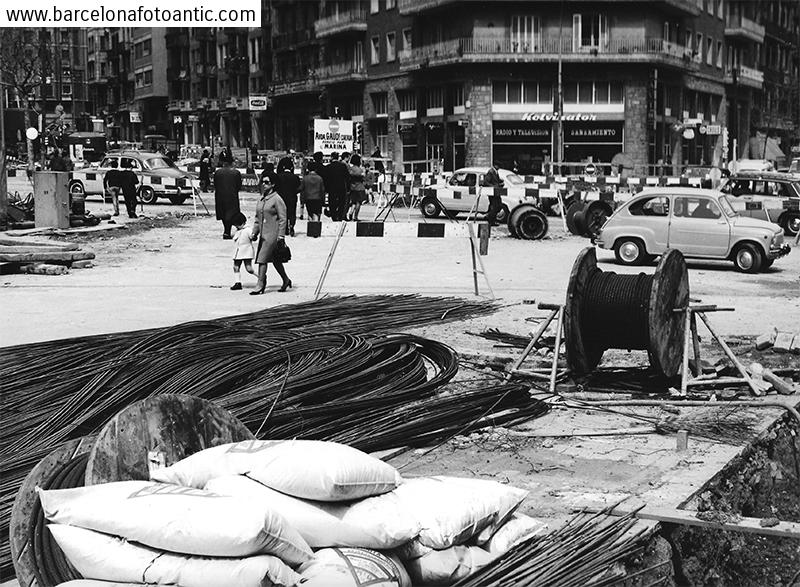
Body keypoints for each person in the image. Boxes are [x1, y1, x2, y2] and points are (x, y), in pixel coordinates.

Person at [251, 172, 292, 295]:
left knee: (262, 258)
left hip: (273, 235)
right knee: (275, 260)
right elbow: (257, 218)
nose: (264, 184)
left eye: (267, 182)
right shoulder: (261, 199)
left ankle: (260, 284)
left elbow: (283, 218)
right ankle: (286, 280)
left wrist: (281, 236)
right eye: (263, 182)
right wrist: (254, 232)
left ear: (273, 184)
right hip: (263, 234)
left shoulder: (277, 199)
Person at [213, 150, 242, 239]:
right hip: (232, 196)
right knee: (231, 213)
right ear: (232, 163)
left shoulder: (217, 173)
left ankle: (226, 230)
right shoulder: (236, 173)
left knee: (223, 213)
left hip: (220, 196)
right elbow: (239, 186)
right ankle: (228, 231)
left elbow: (215, 185)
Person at [229, 212, 256, 291]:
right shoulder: (238, 230)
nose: (237, 227)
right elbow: (233, 236)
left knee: (249, 269)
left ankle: (261, 277)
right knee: (236, 266)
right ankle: (238, 282)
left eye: (238, 225)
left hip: (246, 251)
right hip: (238, 251)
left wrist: (254, 236)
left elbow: (252, 237)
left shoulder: (248, 230)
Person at [275, 156, 300, 237]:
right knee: (292, 213)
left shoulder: (279, 176)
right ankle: (292, 225)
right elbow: (298, 188)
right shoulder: (295, 177)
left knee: (283, 213)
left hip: (281, 198)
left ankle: (285, 228)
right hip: (292, 197)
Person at [324, 152, 350, 221]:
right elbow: (347, 178)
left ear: (331, 157)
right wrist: (348, 188)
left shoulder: (328, 167)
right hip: (341, 188)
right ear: (338, 157)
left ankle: (334, 217)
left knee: (332, 203)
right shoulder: (343, 166)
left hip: (331, 189)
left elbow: (326, 179)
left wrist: (326, 189)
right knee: (341, 203)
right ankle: (340, 217)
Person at [481, 161, 504, 226]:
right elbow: (486, 182)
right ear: (495, 165)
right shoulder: (491, 172)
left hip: (496, 192)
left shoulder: (495, 172)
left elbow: (495, 181)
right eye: (498, 166)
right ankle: (489, 218)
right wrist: (494, 186)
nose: (499, 168)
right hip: (492, 192)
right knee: (495, 206)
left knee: (498, 206)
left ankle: (491, 218)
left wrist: (500, 182)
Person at [347, 153, 368, 221]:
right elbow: (364, 178)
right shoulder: (360, 170)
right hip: (360, 187)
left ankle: (351, 212)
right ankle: (355, 216)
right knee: (358, 202)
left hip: (352, 187)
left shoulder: (350, 169)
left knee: (353, 202)